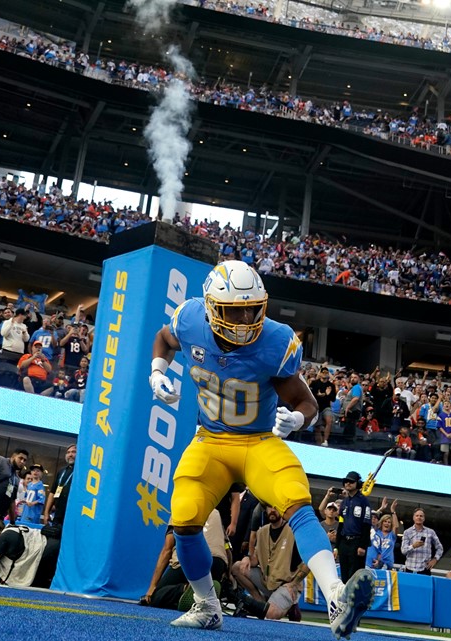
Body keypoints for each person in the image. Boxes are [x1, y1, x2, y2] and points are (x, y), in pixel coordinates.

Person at [149, 260, 374, 638]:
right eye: (235, 311)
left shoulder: (276, 340)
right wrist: (157, 371)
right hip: (210, 441)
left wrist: (298, 420)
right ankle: (207, 605)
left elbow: (306, 402)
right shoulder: (189, 318)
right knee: (184, 515)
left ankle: (336, 597)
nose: (246, 318)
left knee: (296, 498)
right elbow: (164, 339)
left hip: (257, 441)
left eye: (253, 308)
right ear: (210, 308)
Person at [141, 510, 230, 611]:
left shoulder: (182, 508)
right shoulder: (216, 512)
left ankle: (188, 589)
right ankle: (203, 593)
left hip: (191, 560)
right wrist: (228, 574)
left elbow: (167, 549)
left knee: (157, 596)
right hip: (218, 563)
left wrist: (152, 587)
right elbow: (228, 549)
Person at [230, 505, 306, 621]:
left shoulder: (293, 530)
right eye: (269, 508)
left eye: (276, 508)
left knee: (270, 614)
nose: (272, 511)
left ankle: (290, 606)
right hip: (268, 581)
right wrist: (247, 557)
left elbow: (309, 561)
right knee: (237, 567)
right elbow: (255, 560)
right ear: (265, 511)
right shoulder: (262, 531)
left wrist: (294, 583)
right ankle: (260, 601)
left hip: (287, 584)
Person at [336, 471, 373, 583]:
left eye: (351, 481)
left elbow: (367, 524)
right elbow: (341, 524)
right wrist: (337, 545)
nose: (348, 483)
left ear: (358, 483)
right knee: (344, 576)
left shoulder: (364, 501)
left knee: (355, 577)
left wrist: (362, 545)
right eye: (346, 481)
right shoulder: (344, 502)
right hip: (344, 542)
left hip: (357, 543)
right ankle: (344, 600)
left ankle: (353, 600)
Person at [42, 444, 76, 533]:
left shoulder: (81, 472)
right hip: (58, 515)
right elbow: (52, 492)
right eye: (68, 452)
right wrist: (46, 513)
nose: (70, 455)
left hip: (72, 516)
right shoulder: (62, 471)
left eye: (73, 452)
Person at [399, 508, 443, 574]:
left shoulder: (430, 532)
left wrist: (435, 559)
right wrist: (413, 546)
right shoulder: (407, 532)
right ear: (413, 518)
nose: (419, 517)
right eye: (417, 516)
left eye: (421, 516)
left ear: (424, 518)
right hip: (410, 568)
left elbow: (440, 548)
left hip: (425, 569)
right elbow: (403, 550)